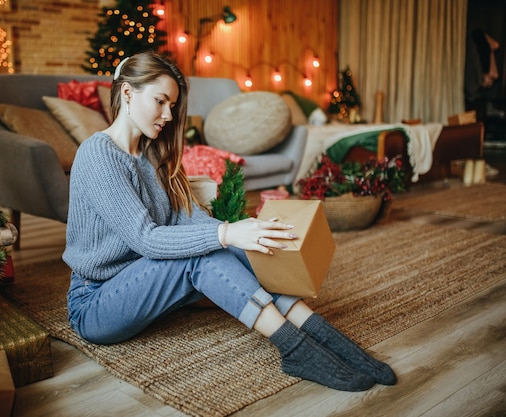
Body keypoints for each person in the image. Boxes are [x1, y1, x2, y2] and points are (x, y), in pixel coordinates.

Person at [63, 51, 396, 392]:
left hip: (145, 282)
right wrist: (227, 232)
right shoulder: (98, 154)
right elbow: (145, 239)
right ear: (128, 93)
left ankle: (324, 337)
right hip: (95, 302)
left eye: (173, 106)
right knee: (204, 252)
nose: (168, 114)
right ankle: (294, 348)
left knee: (230, 247)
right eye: (160, 101)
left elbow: (187, 222)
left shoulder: (152, 156)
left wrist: (246, 235)